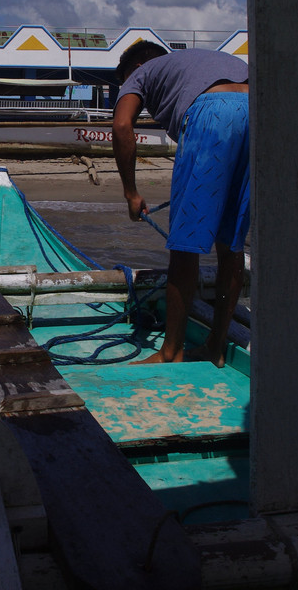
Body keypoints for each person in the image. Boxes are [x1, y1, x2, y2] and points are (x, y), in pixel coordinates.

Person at [112, 40, 250, 367]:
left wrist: (131, 193)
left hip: (211, 113)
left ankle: (170, 351)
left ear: (135, 68)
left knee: (185, 244)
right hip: (257, 112)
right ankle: (216, 346)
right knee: (231, 243)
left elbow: (121, 126)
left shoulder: (142, 72)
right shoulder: (203, 62)